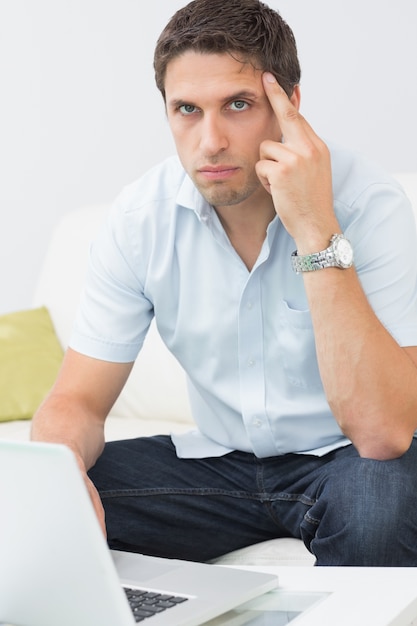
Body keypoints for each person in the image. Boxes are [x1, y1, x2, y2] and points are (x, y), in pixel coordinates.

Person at [31, 0, 417, 566]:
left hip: (349, 460)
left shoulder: (366, 204)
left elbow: (384, 434)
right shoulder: (142, 219)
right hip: (220, 465)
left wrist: (314, 227)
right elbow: (78, 403)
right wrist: (59, 472)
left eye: (238, 105)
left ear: (290, 105)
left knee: (380, 505)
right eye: (187, 109)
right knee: (33, 502)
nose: (209, 141)